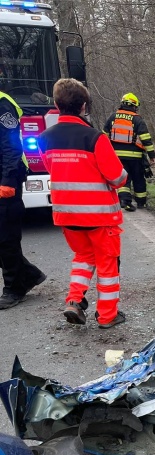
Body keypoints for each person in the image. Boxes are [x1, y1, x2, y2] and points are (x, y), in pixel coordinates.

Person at [38, 79, 129, 328]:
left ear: (57, 105)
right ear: (84, 106)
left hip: (67, 214)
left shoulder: (44, 138)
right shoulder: (95, 138)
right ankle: (108, 315)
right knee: (107, 264)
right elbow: (117, 178)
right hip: (99, 216)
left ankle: (74, 300)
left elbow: (52, 170)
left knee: (83, 257)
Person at [0, 85, 46, 309]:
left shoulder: (2, 103)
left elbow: (11, 146)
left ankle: (14, 288)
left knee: (6, 237)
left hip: (5, 178)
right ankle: (28, 275)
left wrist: (7, 180)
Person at [103, 93, 155, 212]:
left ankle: (124, 200)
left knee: (124, 178)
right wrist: (152, 156)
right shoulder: (137, 119)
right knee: (138, 178)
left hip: (117, 156)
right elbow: (146, 139)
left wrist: (105, 154)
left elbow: (103, 136)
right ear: (134, 105)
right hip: (135, 156)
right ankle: (141, 203)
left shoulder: (113, 117)